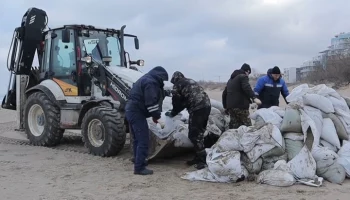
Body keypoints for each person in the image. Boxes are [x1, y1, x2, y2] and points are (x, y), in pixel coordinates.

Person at [125, 66, 169, 175]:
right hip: (136, 112)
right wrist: (157, 117)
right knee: (143, 139)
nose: (163, 82)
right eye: (163, 80)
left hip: (131, 110)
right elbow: (151, 102)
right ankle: (139, 168)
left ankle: (137, 160)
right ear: (160, 76)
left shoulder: (145, 79)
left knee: (137, 139)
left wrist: (154, 116)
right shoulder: (151, 83)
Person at [165, 71, 211, 170]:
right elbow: (185, 101)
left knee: (194, 135)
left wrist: (173, 112)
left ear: (174, 79)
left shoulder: (178, 85)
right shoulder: (190, 81)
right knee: (200, 133)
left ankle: (203, 160)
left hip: (197, 108)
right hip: (206, 106)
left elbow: (177, 101)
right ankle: (198, 157)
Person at [222, 63, 262, 129]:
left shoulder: (230, 80)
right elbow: (246, 87)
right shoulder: (243, 76)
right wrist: (254, 97)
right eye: (249, 73)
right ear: (247, 71)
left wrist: (225, 106)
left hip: (231, 107)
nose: (248, 75)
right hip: (241, 107)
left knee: (234, 128)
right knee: (247, 128)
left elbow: (224, 93)